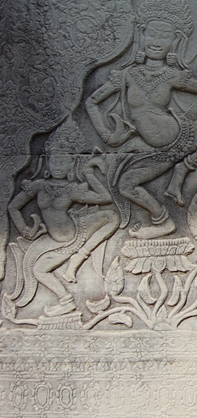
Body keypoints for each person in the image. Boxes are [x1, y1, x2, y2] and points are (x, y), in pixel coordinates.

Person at [85, 0, 197, 238]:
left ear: (175, 41)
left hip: (183, 136)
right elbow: (91, 102)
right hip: (156, 152)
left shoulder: (172, 76)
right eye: (152, 34)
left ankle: (190, 162)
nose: (157, 42)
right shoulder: (126, 75)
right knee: (126, 185)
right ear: (142, 36)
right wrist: (108, 136)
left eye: (164, 36)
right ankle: (162, 221)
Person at [7, 119, 119, 317]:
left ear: (72, 162)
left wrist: (88, 173)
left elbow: (105, 198)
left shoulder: (71, 189)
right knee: (39, 270)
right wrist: (25, 230)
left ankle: (79, 257)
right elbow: (14, 206)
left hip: (75, 235)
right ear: (46, 160)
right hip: (53, 240)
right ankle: (66, 301)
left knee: (111, 217)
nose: (58, 165)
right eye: (54, 160)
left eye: (63, 160)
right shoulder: (38, 185)